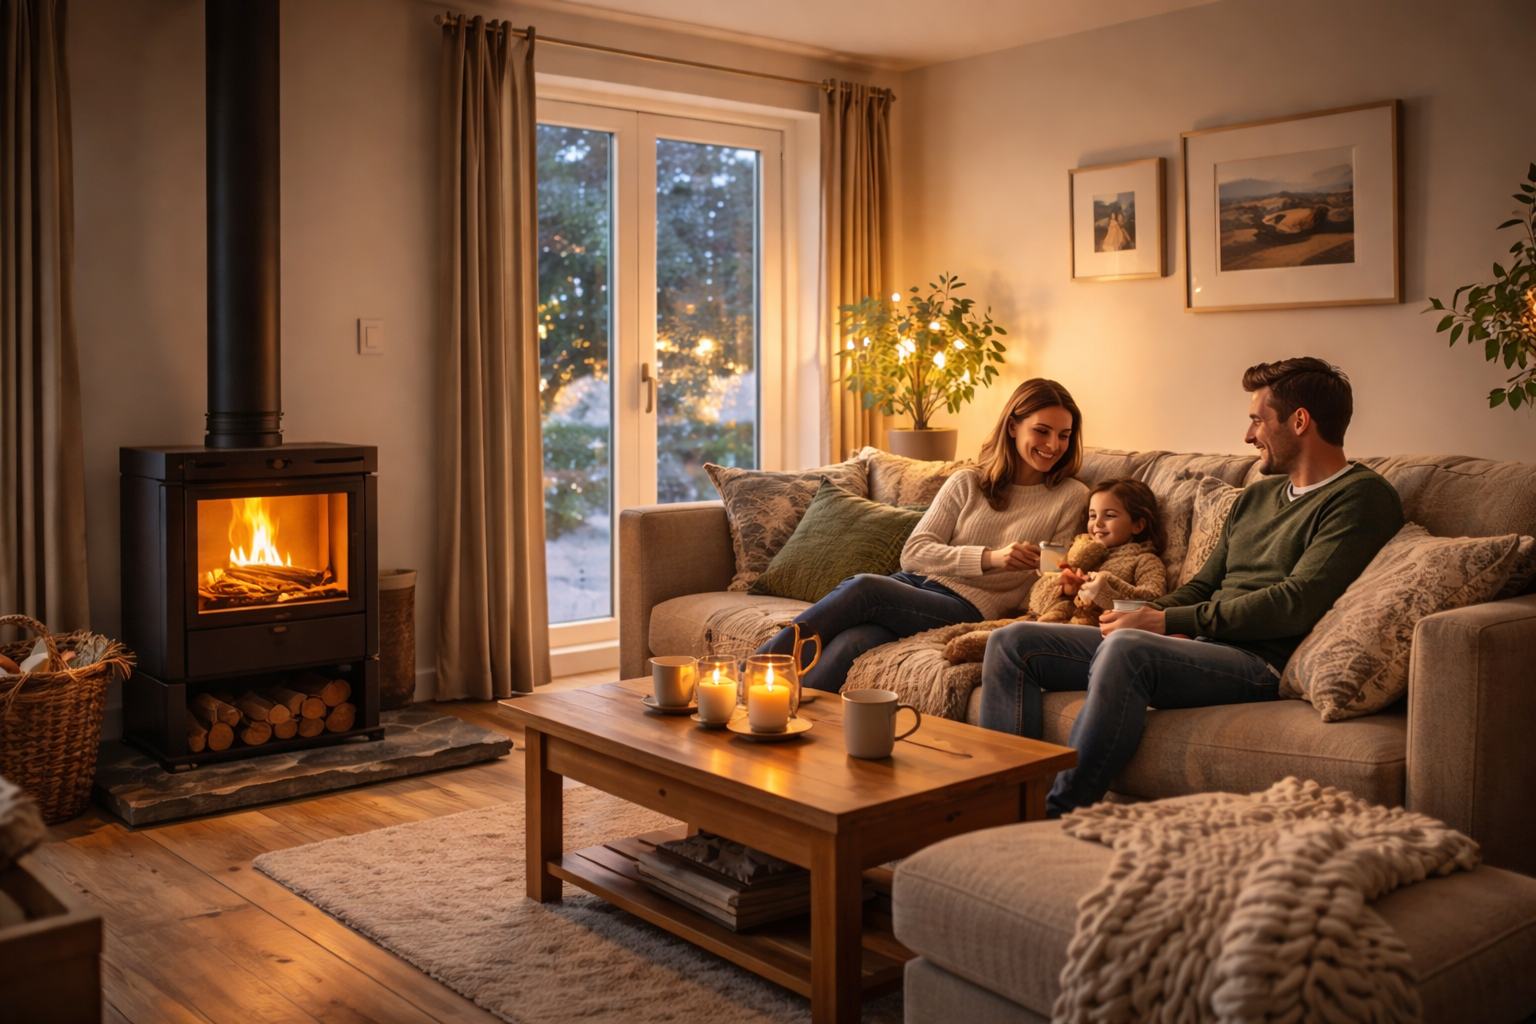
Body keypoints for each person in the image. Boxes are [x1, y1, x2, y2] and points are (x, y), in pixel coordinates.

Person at [978, 357, 1404, 817]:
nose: (1248, 436)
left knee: (1129, 651)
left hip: (1257, 661)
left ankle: (1054, 816)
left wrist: (1162, 621)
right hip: (1197, 642)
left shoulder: (1361, 497)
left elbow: (1295, 602)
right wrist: (1123, 609)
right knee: (1011, 642)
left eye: (1257, 420)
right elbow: (1203, 585)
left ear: (1299, 421)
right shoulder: (1259, 496)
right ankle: (1004, 806)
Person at [756, 379, 1090, 692]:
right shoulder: (968, 482)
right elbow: (913, 553)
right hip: (912, 587)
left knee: (863, 587)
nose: (1053, 445)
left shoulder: (1072, 496)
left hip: (970, 608)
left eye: (1064, 435)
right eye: (1042, 431)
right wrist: (992, 558)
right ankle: (782, 714)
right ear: (1013, 427)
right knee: (855, 641)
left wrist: (1059, 579)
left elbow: (1052, 578)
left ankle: (753, 673)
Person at [1030, 478, 1168, 625]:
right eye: (1093, 516)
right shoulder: (1075, 553)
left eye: (1109, 515)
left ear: (1138, 525)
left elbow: (1153, 601)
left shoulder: (1145, 560)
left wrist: (1105, 588)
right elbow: (1036, 603)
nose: (1097, 523)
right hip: (1054, 625)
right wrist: (1064, 589)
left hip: (1101, 630)